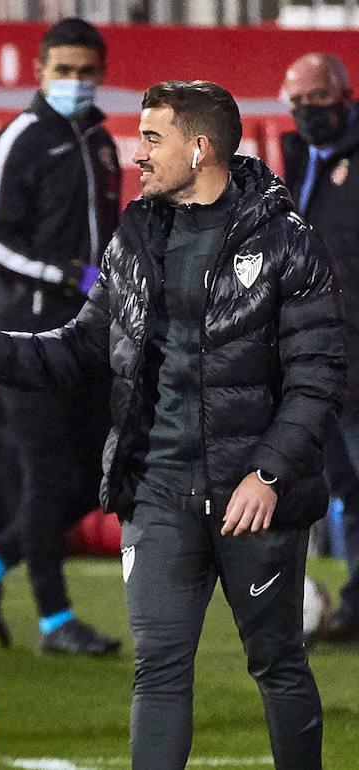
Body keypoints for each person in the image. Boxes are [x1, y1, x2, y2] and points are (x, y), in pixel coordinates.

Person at [0, 80, 344, 769]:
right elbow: (82, 348)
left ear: (199, 149)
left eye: (150, 138)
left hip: (252, 496)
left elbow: (318, 376)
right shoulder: (136, 236)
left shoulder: (288, 243)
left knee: (277, 663)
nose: (135, 154)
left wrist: (268, 473)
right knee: (159, 668)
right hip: (158, 490)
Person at [0, 17, 122, 655]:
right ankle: (56, 622)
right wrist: (66, 275)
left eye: (86, 71)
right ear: (40, 72)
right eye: (64, 70)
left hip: (92, 330)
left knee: (99, 475)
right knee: (48, 473)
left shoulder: (104, 145)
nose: (76, 82)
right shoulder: (19, 140)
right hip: (28, 332)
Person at [280, 52, 359, 645]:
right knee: (346, 487)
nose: (308, 112)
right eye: (298, 102)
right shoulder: (298, 159)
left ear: (344, 94)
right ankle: (355, 605)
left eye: (318, 100)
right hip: (317, 355)